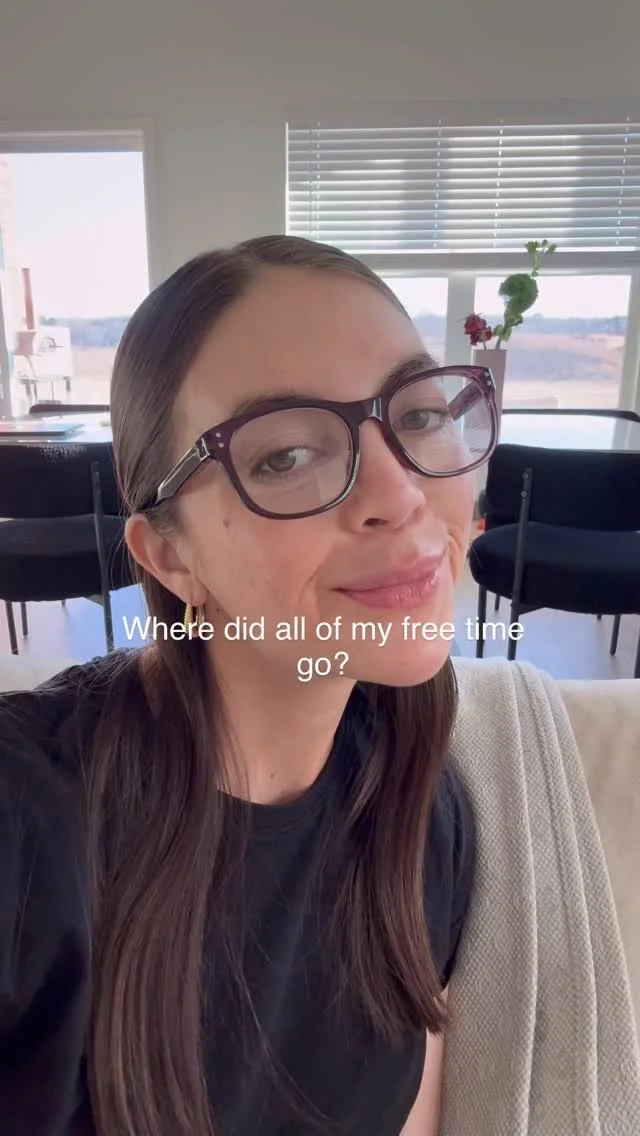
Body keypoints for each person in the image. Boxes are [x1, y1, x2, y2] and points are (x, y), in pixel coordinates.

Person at [0, 235, 499, 1136]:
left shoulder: (422, 811)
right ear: (171, 555)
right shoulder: (25, 820)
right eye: (285, 457)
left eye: (420, 413)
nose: (400, 495)